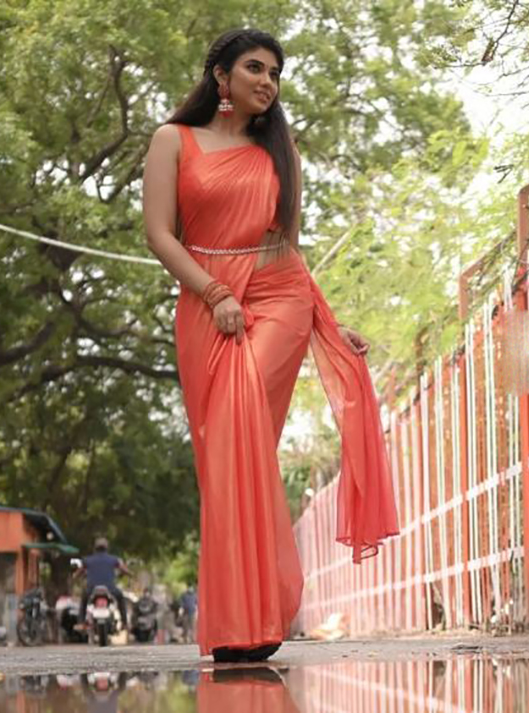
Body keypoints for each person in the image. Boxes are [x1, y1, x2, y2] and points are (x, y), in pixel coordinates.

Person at [142, 28, 399, 663]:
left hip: (279, 296)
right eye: (255, 68)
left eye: (275, 73)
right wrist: (214, 294)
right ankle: (241, 619)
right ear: (221, 76)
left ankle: (260, 615)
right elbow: (158, 235)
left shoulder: (277, 151)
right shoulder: (174, 140)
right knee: (222, 456)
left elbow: (287, 247)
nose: (268, 81)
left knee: (240, 427)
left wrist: (327, 323)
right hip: (207, 303)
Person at [76, 537, 131, 630]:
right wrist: (130, 574)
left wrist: (75, 576)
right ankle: (124, 623)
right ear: (107, 548)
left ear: (95, 548)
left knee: (84, 600)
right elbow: (124, 569)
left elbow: (79, 572)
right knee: (120, 598)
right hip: (110, 589)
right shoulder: (114, 559)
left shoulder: (87, 560)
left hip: (92, 589)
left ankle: (81, 623)